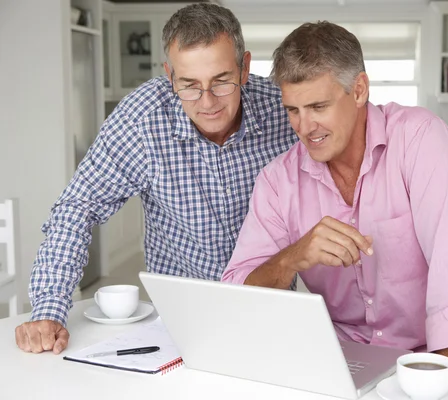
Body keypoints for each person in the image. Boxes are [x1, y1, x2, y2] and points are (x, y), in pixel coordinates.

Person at [15, 3, 297, 354]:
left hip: (277, 307)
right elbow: (77, 208)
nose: (207, 101)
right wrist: (48, 309)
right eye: (189, 85)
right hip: (183, 317)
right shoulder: (143, 120)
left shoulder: (284, 109)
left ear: (244, 67)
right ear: (169, 75)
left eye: (221, 81)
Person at [221, 21, 448, 370]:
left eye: (319, 107)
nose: (304, 128)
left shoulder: (420, 140)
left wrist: (440, 384)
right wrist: (293, 257)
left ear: (359, 90)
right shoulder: (278, 182)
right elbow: (235, 294)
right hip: (337, 364)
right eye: (293, 110)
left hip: (430, 361)